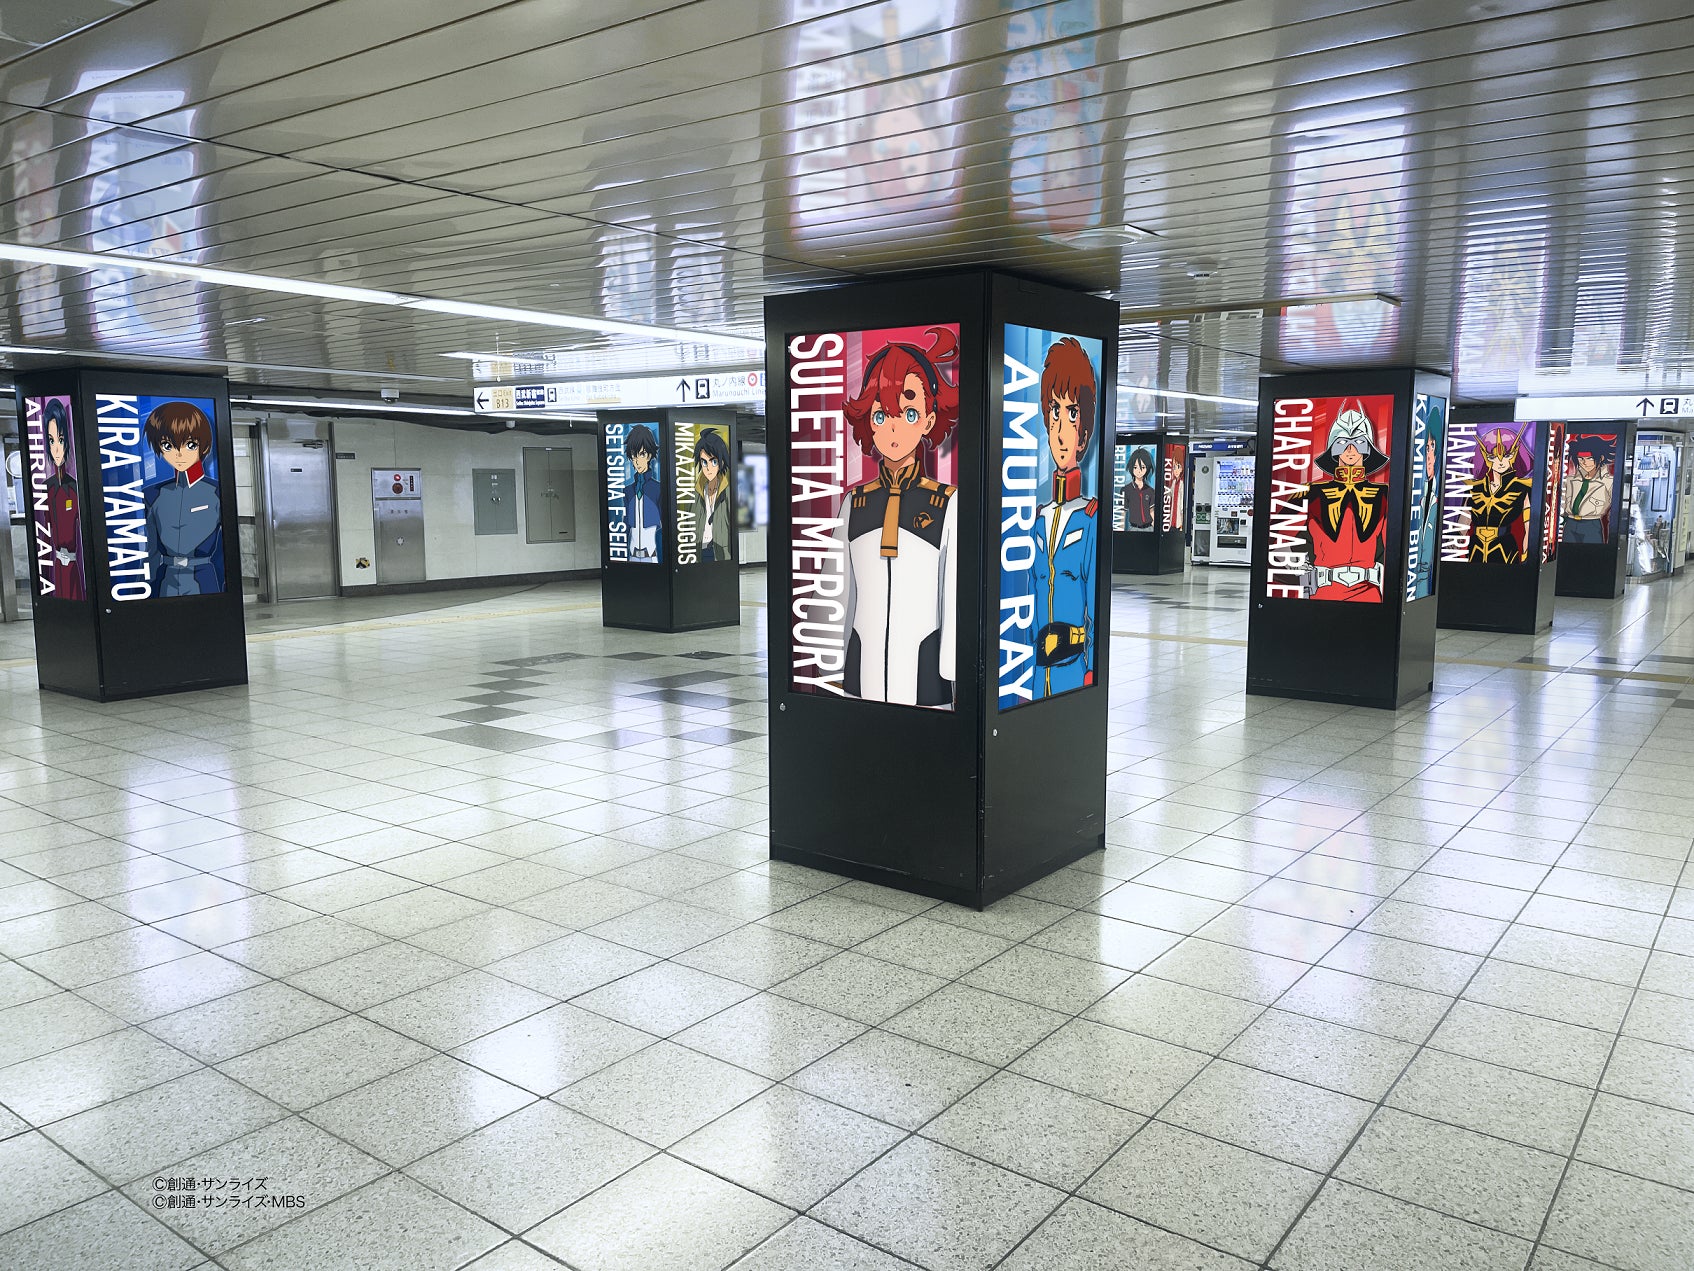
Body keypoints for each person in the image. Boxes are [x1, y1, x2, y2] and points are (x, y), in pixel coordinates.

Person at [839, 326, 959, 706]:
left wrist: (953, 672)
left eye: (908, 413)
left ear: (928, 420)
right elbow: (840, 593)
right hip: (861, 665)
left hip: (926, 671)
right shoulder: (854, 503)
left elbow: (952, 597)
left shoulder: (946, 504)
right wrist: (832, 658)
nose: (893, 427)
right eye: (880, 414)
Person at [1033, 337, 1098, 696]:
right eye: (1054, 412)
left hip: (1073, 668)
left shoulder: (1089, 519)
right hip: (1035, 670)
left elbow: (1096, 607)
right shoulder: (1038, 518)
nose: (1060, 430)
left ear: (1083, 432)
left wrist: (1092, 671)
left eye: (1071, 414)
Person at [1301, 399, 1389, 601]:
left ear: (1368, 449)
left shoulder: (1383, 495)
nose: (1350, 450)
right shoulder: (1311, 493)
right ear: (1333, 449)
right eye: (1342, 443)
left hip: (1368, 591)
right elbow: (1279, 536)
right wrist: (1297, 569)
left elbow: (1391, 546)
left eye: (1358, 443)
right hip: (1323, 590)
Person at [144, 401, 223, 597]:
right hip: (165, 579)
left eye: (190, 445)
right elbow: (151, 550)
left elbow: (225, 547)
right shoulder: (153, 494)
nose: (179, 454)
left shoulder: (217, 492)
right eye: (168, 445)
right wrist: (141, 588)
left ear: (203, 445)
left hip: (204, 578)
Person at [1466, 426, 1534, 563]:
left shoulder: (1522, 488)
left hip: (1504, 549)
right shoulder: (1476, 488)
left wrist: (1526, 556)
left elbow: (1529, 528)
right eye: (1493, 456)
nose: (1500, 461)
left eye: (1507, 455)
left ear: (1515, 454)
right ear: (1485, 457)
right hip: (1476, 548)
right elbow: (1464, 520)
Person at [41, 399, 84, 600]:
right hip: (56, 566)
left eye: (60, 440)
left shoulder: (75, 488)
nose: (57, 449)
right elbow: (44, 533)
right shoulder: (47, 488)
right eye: (52, 441)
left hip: (74, 565)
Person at [1563, 438, 1613, 543]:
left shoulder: (1608, 482)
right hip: (1570, 523)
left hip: (1591, 524)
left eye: (1590, 458)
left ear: (1601, 458)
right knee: (1566, 552)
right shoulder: (1570, 480)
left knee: (1591, 552)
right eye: (1580, 458)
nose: (1584, 463)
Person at [693, 428, 732, 562]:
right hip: (699, 551)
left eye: (713, 461)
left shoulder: (727, 492)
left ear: (721, 462)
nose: (708, 468)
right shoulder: (697, 492)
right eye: (704, 462)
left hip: (720, 552)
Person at [624, 425, 661, 562]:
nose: (637, 461)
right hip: (632, 555)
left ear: (649, 455)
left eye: (642, 454)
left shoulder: (657, 489)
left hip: (651, 555)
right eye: (634, 455)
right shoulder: (628, 491)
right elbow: (626, 525)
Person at [1124, 446, 1155, 529]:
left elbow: (1152, 511)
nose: (1139, 471)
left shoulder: (1150, 491)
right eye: (1135, 467)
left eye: (1143, 467)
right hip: (1133, 528)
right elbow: (1123, 513)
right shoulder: (1127, 490)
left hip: (1149, 528)